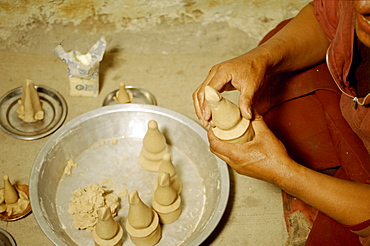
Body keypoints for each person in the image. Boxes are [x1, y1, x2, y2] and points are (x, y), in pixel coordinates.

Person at [192, 0, 370, 245]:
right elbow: (324, 18)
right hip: (355, 110)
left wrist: (287, 175)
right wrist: (259, 60)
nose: (362, 5)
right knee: (276, 54)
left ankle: (327, 191)